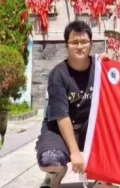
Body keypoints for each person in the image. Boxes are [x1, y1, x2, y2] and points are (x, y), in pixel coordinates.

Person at [35, 20, 115, 188]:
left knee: (115, 141)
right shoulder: (58, 75)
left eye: (84, 41)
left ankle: (102, 178)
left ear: (91, 44)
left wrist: (111, 66)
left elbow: (118, 90)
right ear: (66, 45)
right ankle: (55, 174)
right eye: (74, 42)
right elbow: (61, 116)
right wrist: (75, 152)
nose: (79, 46)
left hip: (88, 127)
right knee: (51, 160)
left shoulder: (100, 67)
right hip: (59, 128)